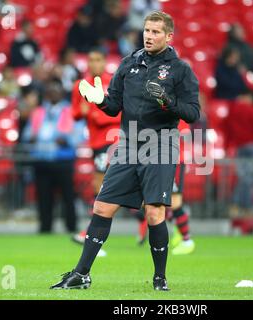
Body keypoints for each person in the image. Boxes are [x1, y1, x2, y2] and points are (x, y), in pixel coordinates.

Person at [50, 11, 200, 291]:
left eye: (156, 32)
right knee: (102, 206)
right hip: (129, 144)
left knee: (154, 213)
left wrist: (167, 101)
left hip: (160, 143)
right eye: (147, 30)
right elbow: (114, 106)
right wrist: (99, 100)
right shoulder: (128, 63)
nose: (149, 36)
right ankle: (81, 274)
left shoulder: (181, 70)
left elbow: (192, 113)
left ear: (169, 36)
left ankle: (159, 279)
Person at [70, 48, 121, 257]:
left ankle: (88, 233)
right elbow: (75, 113)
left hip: (115, 141)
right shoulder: (79, 86)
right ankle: (149, 218)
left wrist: (95, 114)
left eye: (98, 59)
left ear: (105, 61)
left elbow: (119, 111)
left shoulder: (115, 82)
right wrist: (84, 112)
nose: (94, 63)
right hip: (96, 142)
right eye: (91, 60)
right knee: (104, 186)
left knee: (101, 185)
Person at [22, 79, 85, 233]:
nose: (53, 92)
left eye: (56, 89)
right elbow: (26, 134)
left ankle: (71, 227)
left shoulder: (70, 111)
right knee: (43, 197)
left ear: (62, 92)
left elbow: (78, 135)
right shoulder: (38, 112)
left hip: (63, 160)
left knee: (68, 196)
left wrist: (67, 139)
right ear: (46, 93)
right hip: (42, 159)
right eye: (50, 89)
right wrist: (31, 137)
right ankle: (45, 227)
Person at [134, 120, 195, 256]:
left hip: (174, 160)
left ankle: (187, 241)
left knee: (174, 202)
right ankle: (180, 235)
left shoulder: (177, 113)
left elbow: (182, 134)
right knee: (159, 202)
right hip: (159, 160)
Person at [222, 90, 253, 218]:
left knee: (243, 178)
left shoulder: (232, 110)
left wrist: (227, 147)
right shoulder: (251, 109)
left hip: (239, 148)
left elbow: (227, 130)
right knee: (249, 180)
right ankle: (245, 207)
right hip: (252, 147)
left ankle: (237, 206)